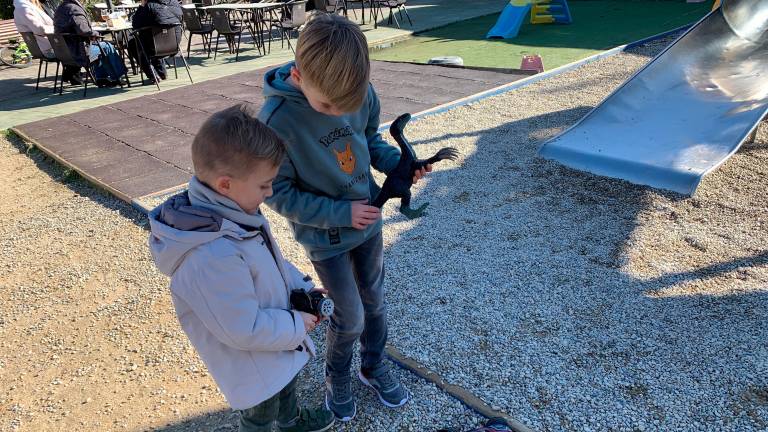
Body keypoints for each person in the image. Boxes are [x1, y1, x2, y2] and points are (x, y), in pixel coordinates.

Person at [258, 13, 431, 422]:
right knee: (348, 316)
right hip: (326, 239)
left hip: (368, 222)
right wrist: (341, 212)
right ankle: (337, 375)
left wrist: (398, 165)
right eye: (327, 106)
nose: (338, 113)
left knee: (376, 302)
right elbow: (277, 193)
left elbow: (369, 140)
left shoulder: (359, 92)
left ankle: (373, 366)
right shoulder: (276, 122)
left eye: (347, 106)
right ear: (298, 76)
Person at [148, 104, 335, 432]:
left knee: (287, 382)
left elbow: (272, 262)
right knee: (260, 414)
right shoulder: (211, 253)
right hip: (253, 360)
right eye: (264, 185)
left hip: (275, 339)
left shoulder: (233, 213)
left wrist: (302, 288)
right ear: (225, 184)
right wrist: (297, 324)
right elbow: (242, 329)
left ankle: (290, 421)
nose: (270, 192)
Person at [53, 0, 125, 86]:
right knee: (106, 46)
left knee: (98, 45)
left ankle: (102, 78)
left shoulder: (61, 8)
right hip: (78, 52)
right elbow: (84, 30)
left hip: (65, 53)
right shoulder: (74, 9)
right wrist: (96, 33)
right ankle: (117, 77)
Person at [129, 0, 182, 82]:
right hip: (174, 44)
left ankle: (153, 75)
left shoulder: (149, 6)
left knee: (133, 43)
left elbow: (135, 24)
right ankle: (162, 73)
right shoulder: (175, 3)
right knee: (153, 38)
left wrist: (142, 5)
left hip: (155, 47)